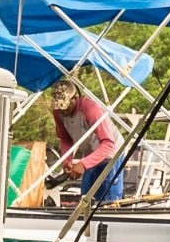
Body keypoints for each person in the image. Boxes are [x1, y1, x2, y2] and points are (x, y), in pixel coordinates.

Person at [46, 73, 123, 203]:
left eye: (65, 106)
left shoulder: (91, 109)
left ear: (75, 98)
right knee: (86, 198)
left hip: (112, 154)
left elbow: (109, 144)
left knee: (109, 200)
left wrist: (83, 164)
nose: (62, 110)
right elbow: (65, 138)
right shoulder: (58, 112)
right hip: (91, 154)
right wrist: (67, 160)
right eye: (59, 106)